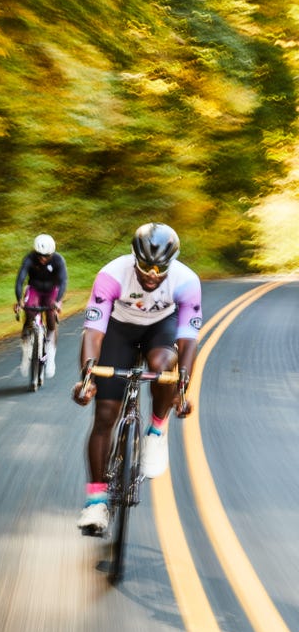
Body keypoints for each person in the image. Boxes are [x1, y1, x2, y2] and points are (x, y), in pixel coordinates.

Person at [72, 223, 202, 535]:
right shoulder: (112, 275)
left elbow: (188, 342)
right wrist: (88, 377)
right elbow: (93, 332)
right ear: (134, 257)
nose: (153, 274)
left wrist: (181, 390)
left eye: (161, 268)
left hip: (161, 327)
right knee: (104, 416)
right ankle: (95, 503)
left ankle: (156, 430)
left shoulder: (186, 282)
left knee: (162, 365)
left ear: (172, 264)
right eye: (145, 266)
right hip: (118, 329)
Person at [14, 234, 68, 378]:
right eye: (39, 255)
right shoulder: (29, 258)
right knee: (29, 313)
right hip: (35, 290)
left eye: (46, 256)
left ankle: (50, 357)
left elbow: (63, 282)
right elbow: (20, 280)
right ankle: (26, 352)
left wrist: (58, 301)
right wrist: (19, 300)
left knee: (51, 320)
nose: (42, 259)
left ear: (52, 254)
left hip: (51, 291)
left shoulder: (58, 260)